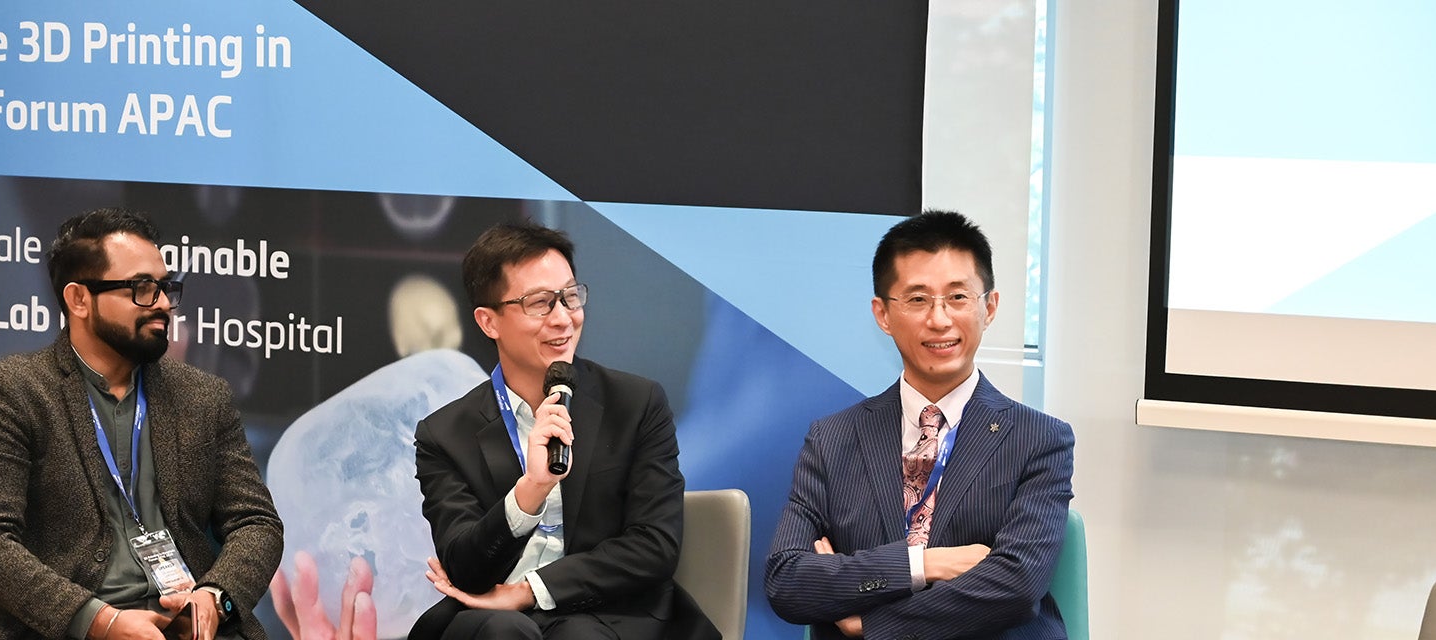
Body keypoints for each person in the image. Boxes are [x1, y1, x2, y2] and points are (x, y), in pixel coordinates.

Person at [0, 208, 283, 640]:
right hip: (62, 627)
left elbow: (257, 522)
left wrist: (216, 598)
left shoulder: (203, 396)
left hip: (188, 625)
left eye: (165, 287)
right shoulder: (11, 391)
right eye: (141, 289)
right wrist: (99, 622)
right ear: (79, 300)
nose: (162, 303)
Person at [764, 210, 1074, 639]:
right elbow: (787, 581)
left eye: (958, 297)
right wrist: (923, 564)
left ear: (989, 308)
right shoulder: (832, 440)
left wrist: (871, 624)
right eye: (917, 299)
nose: (939, 319)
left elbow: (1016, 585)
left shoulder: (1040, 439)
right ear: (883, 314)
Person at [408, 223, 720, 640]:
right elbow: (465, 568)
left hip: (610, 614)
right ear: (489, 322)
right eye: (540, 303)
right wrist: (531, 491)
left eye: (570, 297)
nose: (563, 319)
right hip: (494, 619)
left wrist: (530, 591)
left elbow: (653, 544)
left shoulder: (636, 403)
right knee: (501, 632)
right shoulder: (445, 434)